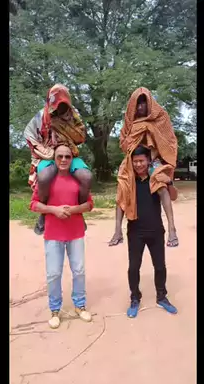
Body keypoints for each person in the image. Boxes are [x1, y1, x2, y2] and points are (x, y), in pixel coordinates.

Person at [109, 145, 179, 318]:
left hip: (156, 230)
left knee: (160, 266)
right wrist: (117, 230)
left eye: (141, 161)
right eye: (135, 161)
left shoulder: (156, 180)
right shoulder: (128, 182)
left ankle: (161, 297)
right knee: (133, 267)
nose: (138, 164)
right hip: (135, 231)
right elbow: (120, 205)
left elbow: (171, 198)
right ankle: (135, 298)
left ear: (148, 161)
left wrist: (172, 229)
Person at [30, 144, 95, 329]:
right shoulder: (47, 182)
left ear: (72, 159)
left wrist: (73, 209)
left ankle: (80, 305)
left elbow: (89, 204)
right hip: (53, 234)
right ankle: (55, 310)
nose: (64, 160)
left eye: (67, 156)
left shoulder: (78, 180)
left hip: (75, 233)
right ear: (55, 159)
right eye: (60, 156)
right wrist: (54, 210)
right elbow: (34, 204)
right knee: (54, 273)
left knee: (79, 271)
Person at [110, 87, 179, 248]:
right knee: (122, 186)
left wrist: (150, 155)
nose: (140, 107)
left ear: (150, 103)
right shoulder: (129, 122)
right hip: (132, 160)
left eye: (143, 103)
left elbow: (169, 142)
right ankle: (117, 231)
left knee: (161, 184)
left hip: (153, 160)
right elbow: (124, 144)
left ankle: (172, 228)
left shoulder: (161, 118)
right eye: (137, 104)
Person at [24, 84, 93, 235]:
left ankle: (79, 212)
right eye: (57, 106)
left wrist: (65, 139)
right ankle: (44, 213)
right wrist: (46, 152)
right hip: (49, 155)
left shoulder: (74, 115)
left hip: (69, 153)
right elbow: (28, 134)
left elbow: (81, 137)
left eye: (63, 106)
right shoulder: (42, 116)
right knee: (44, 177)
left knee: (87, 177)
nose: (60, 109)